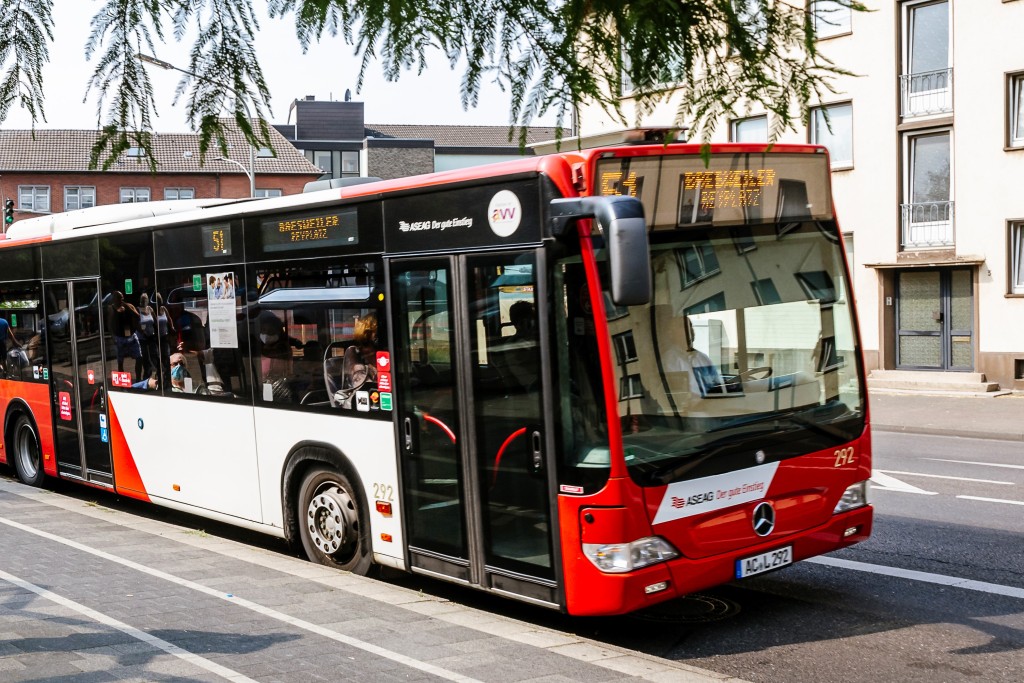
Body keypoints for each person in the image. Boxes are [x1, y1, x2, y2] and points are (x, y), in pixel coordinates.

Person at [661, 312, 724, 397]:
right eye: (683, 326)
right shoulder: (669, 360)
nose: (689, 329)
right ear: (671, 333)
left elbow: (718, 387)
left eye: (690, 325)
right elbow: (676, 395)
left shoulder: (703, 358)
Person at [107, 291, 143, 377]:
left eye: (121, 298)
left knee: (139, 357)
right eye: (118, 298)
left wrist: (126, 306)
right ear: (114, 299)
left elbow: (138, 316)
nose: (120, 300)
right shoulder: (112, 309)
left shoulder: (129, 306)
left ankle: (138, 379)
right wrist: (113, 337)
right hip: (120, 337)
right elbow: (109, 324)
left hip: (131, 335)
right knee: (120, 361)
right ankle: (122, 381)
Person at [137, 293, 159, 377]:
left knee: (154, 354)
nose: (144, 301)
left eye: (145, 299)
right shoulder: (138, 309)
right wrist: (143, 332)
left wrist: (156, 332)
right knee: (145, 356)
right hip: (142, 337)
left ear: (148, 300)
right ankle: (147, 373)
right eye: (142, 299)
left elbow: (155, 321)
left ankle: (157, 372)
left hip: (151, 336)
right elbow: (137, 324)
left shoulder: (150, 309)